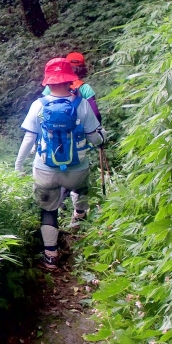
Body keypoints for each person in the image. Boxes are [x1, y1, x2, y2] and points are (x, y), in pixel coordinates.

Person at [16, 57, 105, 270]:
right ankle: (78, 218)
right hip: (76, 170)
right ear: (70, 81)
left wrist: (19, 165)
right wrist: (103, 139)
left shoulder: (38, 105)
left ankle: (50, 256)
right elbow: (95, 138)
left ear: (48, 82)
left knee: (48, 209)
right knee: (82, 187)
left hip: (45, 170)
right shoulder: (81, 104)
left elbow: (29, 139)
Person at [59, 51, 101, 228]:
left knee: (59, 171)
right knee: (78, 174)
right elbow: (95, 113)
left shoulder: (51, 87)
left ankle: (56, 214)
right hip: (79, 140)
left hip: (56, 141)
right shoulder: (85, 88)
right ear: (82, 67)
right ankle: (79, 216)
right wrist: (98, 134)